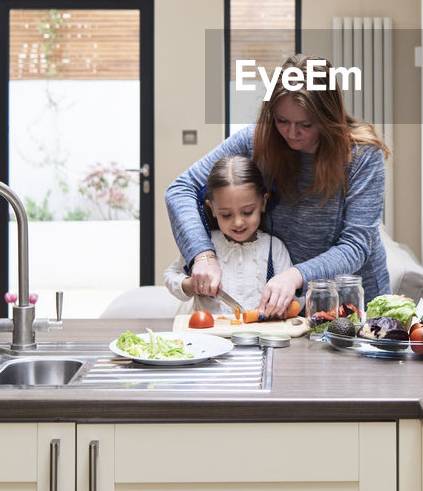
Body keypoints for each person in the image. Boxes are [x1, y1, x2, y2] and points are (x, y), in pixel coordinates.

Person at [166, 53, 391, 317]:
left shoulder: (362, 156)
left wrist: (295, 275)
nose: (292, 134)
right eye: (282, 121)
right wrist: (202, 255)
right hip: (289, 306)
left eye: (305, 124)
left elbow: (355, 246)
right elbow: (180, 189)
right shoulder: (256, 140)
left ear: (329, 117)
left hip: (352, 299)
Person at [162, 155, 293, 316]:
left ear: (263, 203)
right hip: (209, 335)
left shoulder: (274, 248)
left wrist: (282, 303)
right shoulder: (206, 246)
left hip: (259, 335)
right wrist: (190, 285)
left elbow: (295, 297)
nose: (238, 222)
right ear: (213, 209)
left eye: (247, 212)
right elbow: (170, 276)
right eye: (226, 215)